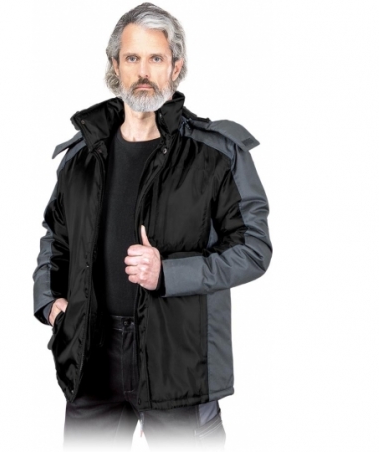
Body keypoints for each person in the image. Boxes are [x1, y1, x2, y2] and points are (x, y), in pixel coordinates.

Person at [32, 3, 272, 451]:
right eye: (132, 58)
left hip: (178, 362)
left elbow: (254, 250)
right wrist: (50, 304)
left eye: (156, 58)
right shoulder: (82, 156)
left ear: (176, 66)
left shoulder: (216, 154)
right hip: (91, 359)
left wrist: (169, 273)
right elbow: (55, 238)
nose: (144, 72)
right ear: (115, 66)